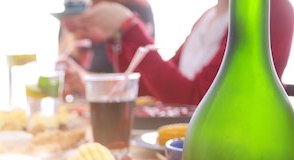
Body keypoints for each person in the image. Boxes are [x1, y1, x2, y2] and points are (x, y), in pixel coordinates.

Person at [60, 0, 294, 105]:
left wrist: (130, 28)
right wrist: (114, 36)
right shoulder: (209, 16)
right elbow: (154, 86)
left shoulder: (270, 7)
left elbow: (200, 100)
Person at [59, 0, 155, 98]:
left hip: (114, 104)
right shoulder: (73, 15)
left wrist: (88, 81)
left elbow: (142, 85)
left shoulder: (135, 8)